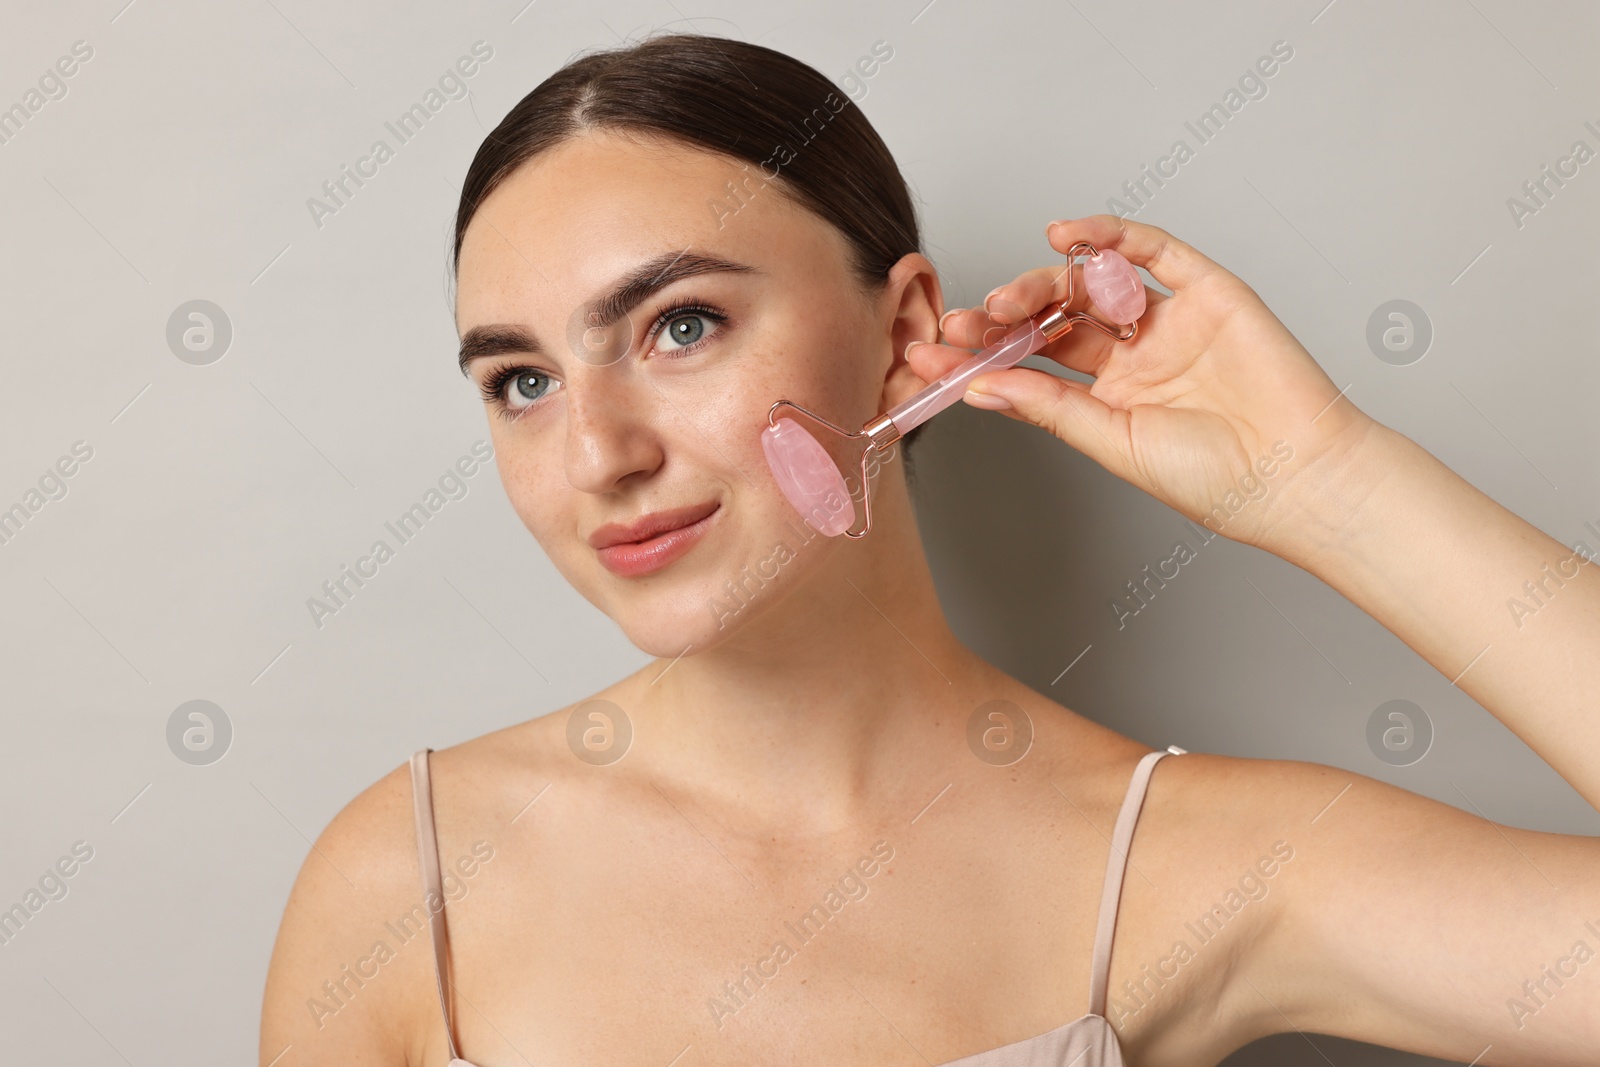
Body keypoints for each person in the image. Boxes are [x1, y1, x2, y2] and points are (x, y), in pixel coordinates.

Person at [259, 31, 1600, 1067]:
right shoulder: (408, 880)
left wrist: (1323, 482)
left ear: (906, 331)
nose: (597, 455)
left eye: (679, 326)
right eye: (521, 382)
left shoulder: (1188, 864)